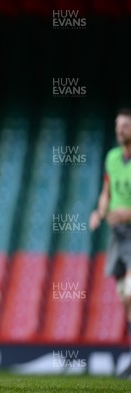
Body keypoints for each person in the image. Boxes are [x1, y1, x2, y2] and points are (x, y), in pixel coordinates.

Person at [89, 108, 131, 378]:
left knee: (130, 292)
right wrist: (99, 212)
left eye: (125, 126)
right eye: (118, 126)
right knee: (125, 301)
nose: (120, 130)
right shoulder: (112, 157)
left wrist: (128, 213)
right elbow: (106, 191)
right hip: (117, 234)